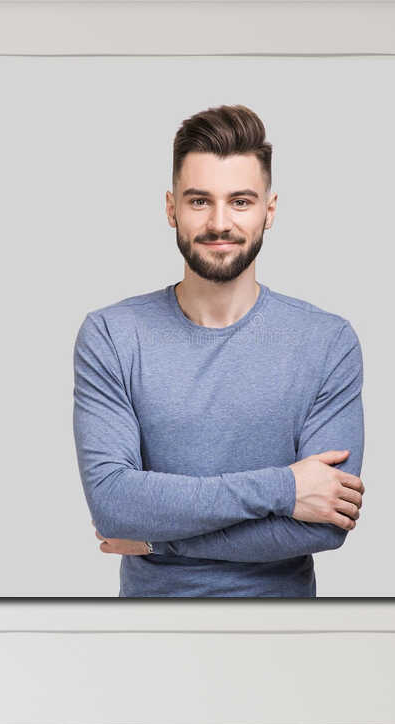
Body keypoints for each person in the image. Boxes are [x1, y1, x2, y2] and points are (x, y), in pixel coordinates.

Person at [72, 103, 365, 598]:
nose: (220, 222)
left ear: (269, 211)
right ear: (172, 208)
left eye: (242, 201)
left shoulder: (327, 342)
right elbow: (114, 503)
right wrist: (284, 488)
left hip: (291, 646)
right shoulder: (112, 335)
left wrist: (155, 540)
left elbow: (324, 526)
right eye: (200, 201)